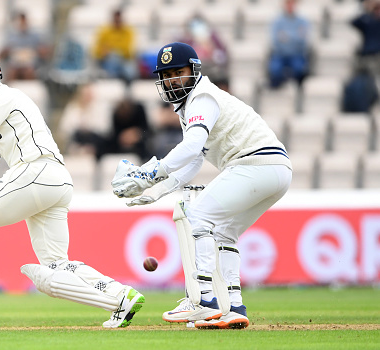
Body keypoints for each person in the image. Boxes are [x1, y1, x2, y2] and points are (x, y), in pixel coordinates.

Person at [0, 47, 144, 329]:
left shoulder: (3, 96)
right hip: (55, 181)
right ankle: (120, 297)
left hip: (36, 171)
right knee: (57, 265)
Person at [111, 42, 292, 329]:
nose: (172, 80)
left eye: (178, 72)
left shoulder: (202, 97)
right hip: (275, 170)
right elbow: (194, 160)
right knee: (225, 232)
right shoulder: (190, 106)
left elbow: (191, 145)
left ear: (194, 71)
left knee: (201, 216)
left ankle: (203, 301)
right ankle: (234, 307)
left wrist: (148, 172)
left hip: (256, 164)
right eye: (166, 75)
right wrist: (155, 190)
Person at [178, 14, 229, 91]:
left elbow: (222, 58)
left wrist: (210, 49)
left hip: (213, 72)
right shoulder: (184, 40)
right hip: (192, 73)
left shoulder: (214, 39)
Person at [57, 83, 109, 160]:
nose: (87, 97)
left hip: (95, 143)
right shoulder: (72, 108)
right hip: (76, 141)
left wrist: (89, 127)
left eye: (89, 94)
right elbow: (64, 129)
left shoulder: (100, 108)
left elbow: (105, 129)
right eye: (85, 94)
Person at [267, 0, 311, 88]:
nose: (290, 6)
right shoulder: (277, 22)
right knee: (275, 69)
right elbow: (275, 41)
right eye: (288, 3)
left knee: (299, 69)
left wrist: (286, 37)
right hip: (280, 55)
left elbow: (303, 41)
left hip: (297, 55)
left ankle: (298, 91)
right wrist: (295, 36)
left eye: (292, 3)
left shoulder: (303, 21)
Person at [0, 12, 52, 81]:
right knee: (12, 72)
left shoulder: (35, 36)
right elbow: (0, 54)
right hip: (14, 64)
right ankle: (10, 90)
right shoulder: (10, 36)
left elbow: (45, 52)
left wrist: (41, 51)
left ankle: (30, 90)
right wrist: (6, 51)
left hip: (31, 65)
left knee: (29, 71)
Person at [92, 9, 138, 84]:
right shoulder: (104, 32)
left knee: (128, 69)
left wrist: (111, 49)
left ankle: (124, 82)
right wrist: (106, 52)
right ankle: (115, 80)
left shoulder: (128, 31)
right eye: (116, 20)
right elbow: (97, 50)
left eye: (119, 20)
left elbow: (128, 50)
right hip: (108, 61)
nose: (117, 22)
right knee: (113, 60)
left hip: (124, 60)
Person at [105, 96, 151, 161]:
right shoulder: (116, 114)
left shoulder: (139, 110)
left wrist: (136, 134)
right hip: (120, 145)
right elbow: (115, 134)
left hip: (140, 143)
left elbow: (146, 130)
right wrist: (124, 138)